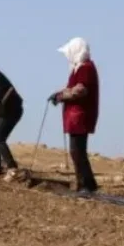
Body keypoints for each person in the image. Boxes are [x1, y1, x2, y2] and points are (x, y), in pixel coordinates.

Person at [49, 37, 99, 195]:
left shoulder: (85, 68)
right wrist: (59, 93)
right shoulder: (79, 67)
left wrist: (61, 96)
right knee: (77, 151)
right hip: (76, 116)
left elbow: (80, 90)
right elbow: (72, 88)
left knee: (77, 151)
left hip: (80, 115)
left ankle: (86, 186)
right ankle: (86, 184)